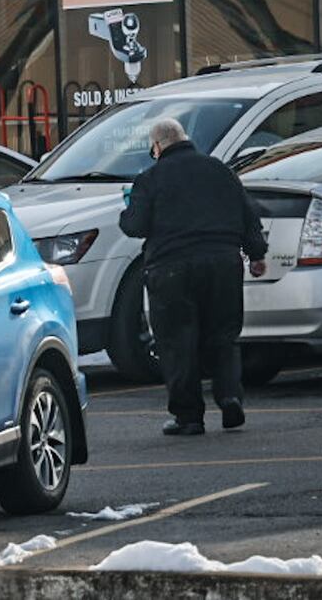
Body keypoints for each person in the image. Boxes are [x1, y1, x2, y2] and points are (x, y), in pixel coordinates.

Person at [118, 117, 267, 436]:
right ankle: (229, 398)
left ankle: (189, 416)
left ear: (157, 146)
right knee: (224, 337)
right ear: (184, 138)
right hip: (223, 263)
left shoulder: (150, 178)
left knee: (177, 343)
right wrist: (257, 254)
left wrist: (127, 210)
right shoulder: (220, 170)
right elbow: (248, 214)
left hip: (172, 269)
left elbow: (136, 226)